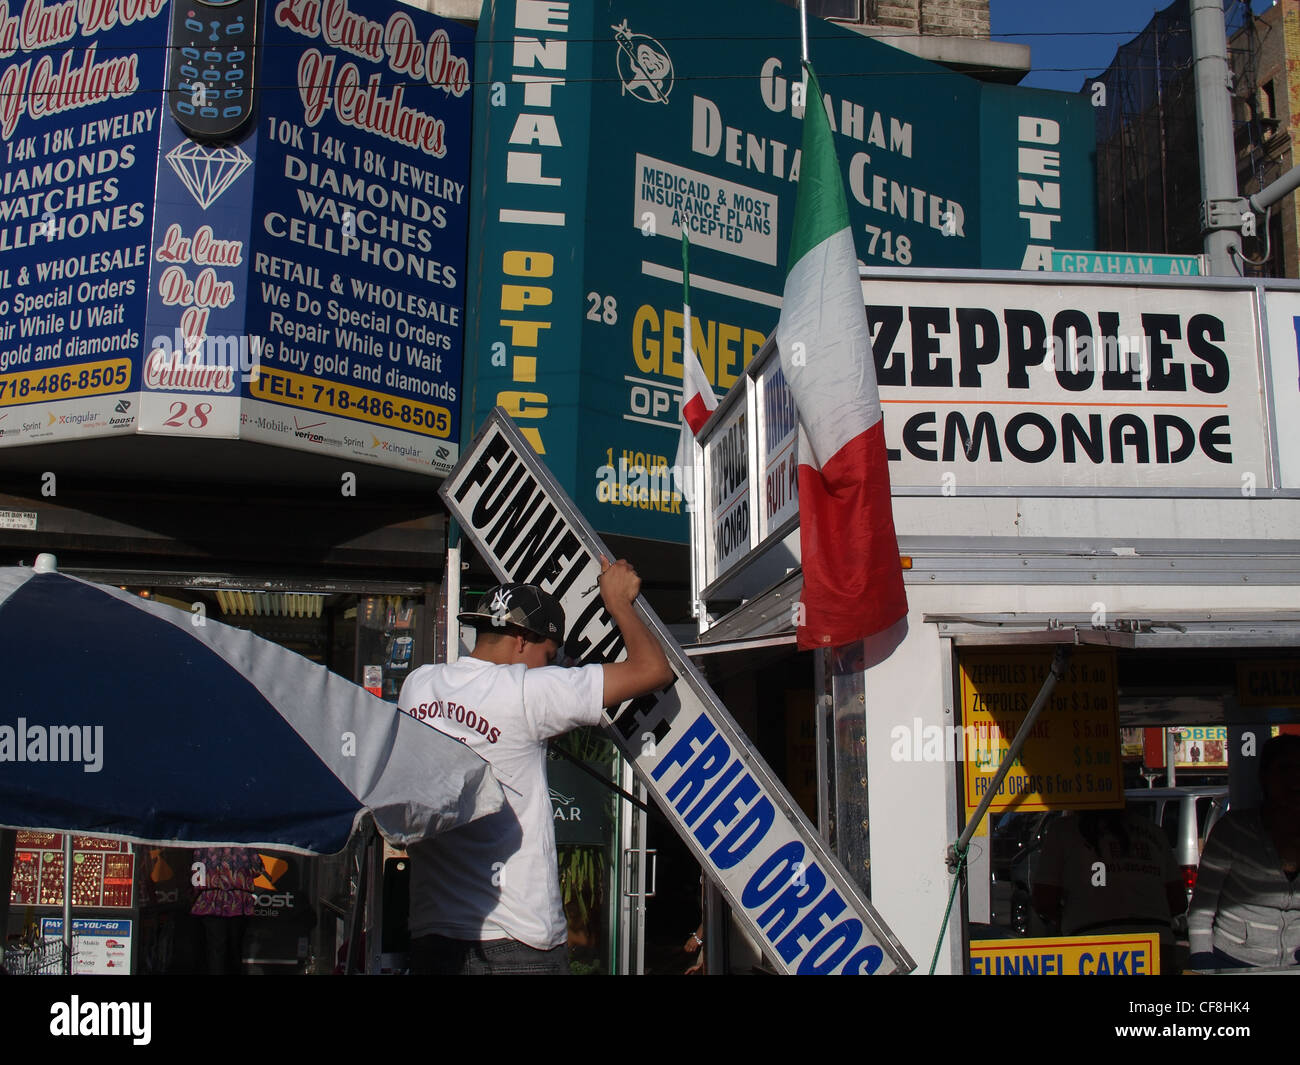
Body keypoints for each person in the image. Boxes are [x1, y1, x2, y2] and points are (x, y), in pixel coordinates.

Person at [399, 558, 673, 975]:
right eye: (549, 655)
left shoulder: (418, 685)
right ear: (523, 639)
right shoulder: (527, 691)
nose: (552, 666)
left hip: (434, 939)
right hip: (519, 942)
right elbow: (653, 670)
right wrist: (619, 603)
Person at [1188, 733, 1300, 969]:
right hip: (1232, 962)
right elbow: (1201, 908)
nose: (1294, 779)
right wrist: (1202, 961)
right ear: (1265, 777)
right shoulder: (1232, 831)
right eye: (1284, 768)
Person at [1032, 806, 1185, 972]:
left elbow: (1044, 899)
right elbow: (1178, 900)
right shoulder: (1153, 831)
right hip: (1156, 944)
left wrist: (1071, 917)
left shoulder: (1063, 831)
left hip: (1092, 944)